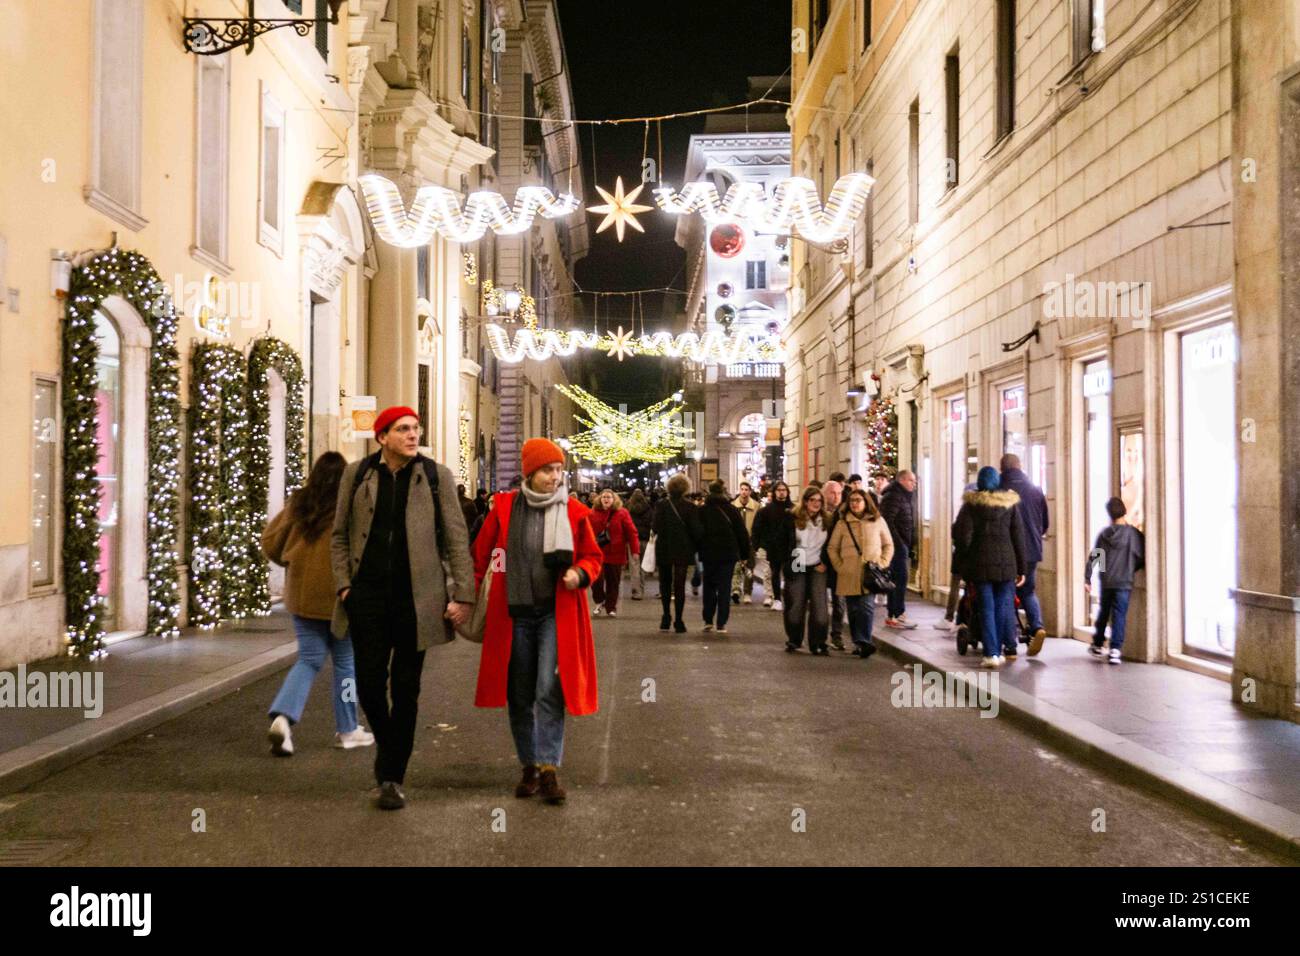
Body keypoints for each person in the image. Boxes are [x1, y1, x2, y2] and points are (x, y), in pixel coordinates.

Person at [331, 406, 474, 810]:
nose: (412, 435)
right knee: (369, 683)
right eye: (402, 429)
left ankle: (392, 775)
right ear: (382, 438)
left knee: (407, 689)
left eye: (415, 428)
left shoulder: (434, 477)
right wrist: (344, 586)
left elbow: (455, 540)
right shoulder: (357, 475)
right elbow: (339, 535)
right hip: (367, 598)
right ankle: (391, 748)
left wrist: (462, 593)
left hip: (418, 599)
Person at [472, 438, 603, 805]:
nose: (555, 477)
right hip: (512, 614)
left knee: (549, 687)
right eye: (548, 470)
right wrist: (464, 598)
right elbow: (481, 556)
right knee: (519, 692)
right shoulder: (503, 509)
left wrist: (580, 573)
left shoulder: (575, 512)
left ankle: (548, 768)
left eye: (559, 470)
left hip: (553, 614)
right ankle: (528, 765)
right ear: (530, 472)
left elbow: (593, 556)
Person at [263, 452, 373, 756]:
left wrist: (290, 562)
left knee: (309, 659)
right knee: (346, 665)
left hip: (302, 595)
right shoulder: (351, 505)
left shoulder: (300, 503)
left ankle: (283, 718)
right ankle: (348, 728)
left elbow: (270, 541)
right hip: (342, 597)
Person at [952, 466, 1027, 668]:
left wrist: (963, 561)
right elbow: (1018, 537)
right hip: (1006, 565)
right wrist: (1022, 569)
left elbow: (962, 537)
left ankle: (991, 653)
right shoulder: (1010, 505)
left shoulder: (971, 506)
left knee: (986, 607)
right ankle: (1003, 646)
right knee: (1003, 606)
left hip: (979, 564)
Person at [827, 488, 894, 658]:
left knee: (866, 607)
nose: (855, 503)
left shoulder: (877, 521)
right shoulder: (843, 523)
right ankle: (860, 642)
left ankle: (864, 640)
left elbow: (888, 544)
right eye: (852, 501)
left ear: (866, 503)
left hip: (869, 573)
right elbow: (832, 548)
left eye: (858, 500)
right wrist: (840, 566)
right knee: (853, 610)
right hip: (848, 573)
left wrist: (883, 562)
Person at [1000, 453, 1050, 654]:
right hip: (1031, 550)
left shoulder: (998, 489)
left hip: (1007, 550)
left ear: (1002, 468)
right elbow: (1045, 524)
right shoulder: (1035, 490)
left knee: (1006, 593)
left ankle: (1009, 638)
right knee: (1028, 591)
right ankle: (1037, 627)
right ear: (1020, 466)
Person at [1085, 497, 1145, 665]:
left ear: (1110, 515)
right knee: (1119, 615)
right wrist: (1131, 568)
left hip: (1107, 580)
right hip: (1124, 580)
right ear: (1124, 511)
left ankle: (1097, 643)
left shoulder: (1104, 534)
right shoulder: (1133, 534)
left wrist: (1088, 577)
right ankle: (1115, 650)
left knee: (1104, 612)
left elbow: (1097, 557)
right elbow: (1140, 556)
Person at [780, 486, 831, 654]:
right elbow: (784, 541)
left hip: (818, 564)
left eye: (819, 500)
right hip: (799, 558)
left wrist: (825, 561)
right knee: (795, 603)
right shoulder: (792, 517)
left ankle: (818, 642)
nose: (816, 503)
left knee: (820, 607)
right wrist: (787, 562)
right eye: (812, 500)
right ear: (805, 501)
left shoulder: (827, 519)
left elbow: (831, 544)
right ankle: (794, 639)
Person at [652, 473, 702, 633]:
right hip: (683, 549)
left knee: (665, 584)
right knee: (679, 585)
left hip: (664, 548)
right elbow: (696, 530)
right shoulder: (691, 507)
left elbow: (655, 527)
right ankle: (679, 620)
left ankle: (666, 617)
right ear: (685, 488)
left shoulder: (661, 505)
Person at [699, 480, 751, 633]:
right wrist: (744, 555)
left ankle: (708, 620)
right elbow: (742, 533)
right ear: (723, 491)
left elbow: (697, 532)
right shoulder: (732, 510)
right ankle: (721, 622)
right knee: (724, 587)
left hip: (708, 554)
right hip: (727, 554)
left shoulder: (703, 511)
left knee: (709, 586)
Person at [588, 489, 639, 618]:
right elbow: (586, 531)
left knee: (613, 582)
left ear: (614, 499)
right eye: (604, 497)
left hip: (616, 553)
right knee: (596, 581)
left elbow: (631, 533)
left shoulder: (622, 513)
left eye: (609, 497)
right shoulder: (592, 513)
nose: (606, 499)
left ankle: (611, 607)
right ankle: (600, 600)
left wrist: (635, 551)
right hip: (597, 553)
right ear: (599, 499)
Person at [937, 480, 979, 632]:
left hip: (963, 556)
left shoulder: (967, 509)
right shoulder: (983, 508)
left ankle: (951, 618)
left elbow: (961, 534)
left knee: (956, 585)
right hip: (975, 558)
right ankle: (962, 618)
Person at [879, 471, 919, 629]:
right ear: (901, 480)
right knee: (898, 580)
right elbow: (887, 521)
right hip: (896, 546)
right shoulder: (894, 496)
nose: (913, 484)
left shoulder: (903, 496)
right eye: (911, 480)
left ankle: (897, 614)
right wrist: (899, 543)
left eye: (915, 481)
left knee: (900, 580)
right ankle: (895, 614)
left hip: (902, 544)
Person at [752, 481, 793, 610]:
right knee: (774, 573)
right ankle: (777, 599)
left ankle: (792, 598)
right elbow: (757, 528)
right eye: (779, 490)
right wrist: (757, 545)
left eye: (784, 490)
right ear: (775, 492)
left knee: (793, 574)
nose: (782, 492)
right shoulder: (766, 510)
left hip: (794, 548)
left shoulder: (794, 509)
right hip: (774, 546)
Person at [820, 480, 848, 650]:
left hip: (837, 564)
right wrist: (797, 568)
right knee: (819, 602)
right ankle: (819, 635)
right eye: (832, 493)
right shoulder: (816, 511)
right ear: (824, 494)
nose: (836, 497)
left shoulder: (844, 513)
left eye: (839, 493)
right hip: (819, 564)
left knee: (839, 602)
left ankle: (836, 635)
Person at [730, 481, 761, 603]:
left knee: (750, 567)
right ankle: (736, 590)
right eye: (742, 489)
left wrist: (756, 539)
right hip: (736, 540)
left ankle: (748, 592)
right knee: (736, 566)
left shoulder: (756, 506)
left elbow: (758, 524)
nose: (744, 492)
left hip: (750, 540)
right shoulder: (733, 506)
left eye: (746, 489)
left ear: (750, 491)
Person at [624, 488, 654, 600]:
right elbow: (652, 523)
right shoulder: (648, 508)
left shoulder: (628, 508)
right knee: (643, 566)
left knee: (634, 566)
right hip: (645, 539)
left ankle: (636, 591)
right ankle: (642, 587)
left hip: (632, 541)